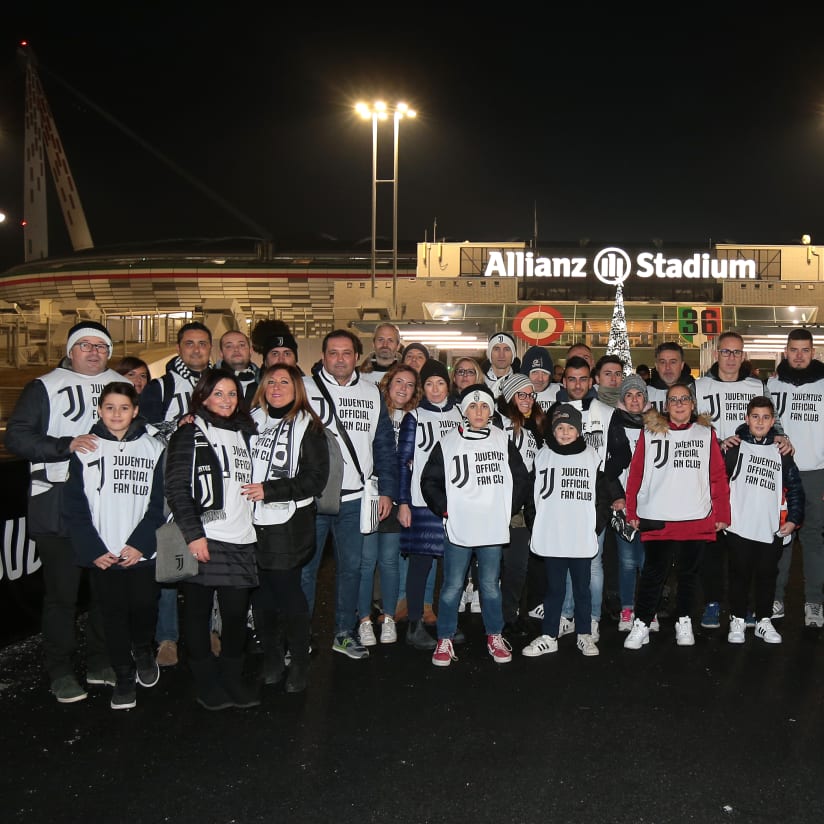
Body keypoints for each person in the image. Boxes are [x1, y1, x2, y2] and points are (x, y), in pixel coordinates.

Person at [6, 320, 123, 703]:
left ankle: (100, 661)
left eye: (101, 346)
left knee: (106, 592)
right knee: (63, 595)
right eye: (85, 345)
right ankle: (60, 670)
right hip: (57, 501)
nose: (94, 352)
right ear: (71, 350)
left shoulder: (120, 385)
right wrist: (65, 445)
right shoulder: (44, 385)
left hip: (108, 503)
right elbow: (18, 437)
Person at [62, 381, 166, 709]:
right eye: (109, 407)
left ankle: (144, 650)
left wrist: (141, 543)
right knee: (113, 615)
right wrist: (93, 549)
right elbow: (75, 507)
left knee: (145, 607)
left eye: (124, 408)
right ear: (100, 411)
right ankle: (123, 676)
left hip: (142, 553)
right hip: (104, 552)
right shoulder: (85, 449)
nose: (117, 414)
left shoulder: (154, 448)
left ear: (135, 411)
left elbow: (160, 504)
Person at [165, 368, 260, 710]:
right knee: (197, 614)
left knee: (235, 615)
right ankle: (206, 682)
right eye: (218, 393)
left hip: (241, 537)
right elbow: (175, 487)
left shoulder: (246, 432)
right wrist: (194, 536)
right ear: (203, 396)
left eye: (232, 394)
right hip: (205, 536)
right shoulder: (190, 432)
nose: (226, 400)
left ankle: (232, 678)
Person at [301, 329, 398, 660]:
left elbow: (384, 444)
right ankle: (301, 636)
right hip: (312, 498)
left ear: (357, 357)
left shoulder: (372, 392)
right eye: (332, 352)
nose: (339, 358)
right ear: (323, 356)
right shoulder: (305, 388)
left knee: (352, 568)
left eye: (346, 353)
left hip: (356, 498)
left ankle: (343, 633)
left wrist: (387, 490)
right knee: (306, 569)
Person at [421, 383, 530, 667]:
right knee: (452, 585)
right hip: (459, 526)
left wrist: (507, 510)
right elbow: (429, 480)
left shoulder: (501, 439)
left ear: (491, 410)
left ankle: (494, 634)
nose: (479, 411)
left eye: (484, 406)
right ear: (463, 410)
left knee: (491, 585)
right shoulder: (448, 442)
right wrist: (446, 509)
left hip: (492, 527)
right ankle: (445, 637)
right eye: (473, 406)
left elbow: (520, 478)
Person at [694, 330, 791, 630]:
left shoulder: (755, 385)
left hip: (749, 474)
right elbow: (690, 423)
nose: (732, 357)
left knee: (744, 545)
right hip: (710, 470)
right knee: (713, 543)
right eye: (726, 352)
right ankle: (712, 602)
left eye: (737, 352)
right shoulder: (699, 386)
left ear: (744, 356)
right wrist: (713, 444)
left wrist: (782, 438)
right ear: (716, 354)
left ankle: (743, 608)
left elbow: (771, 419)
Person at [623, 382, 731, 649]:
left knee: (688, 574)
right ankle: (642, 623)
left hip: (695, 516)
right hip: (658, 516)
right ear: (666, 405)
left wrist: (722, 512)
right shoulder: (649, 433)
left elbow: (717, 475)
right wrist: (632, 509)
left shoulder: (706, 434)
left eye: (684, 399)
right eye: (674, 400)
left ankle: (684, 621)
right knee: (652, 574)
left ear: (693, 404)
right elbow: (636, 473)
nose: (679, 404)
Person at [245, 364, 329, 693]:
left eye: (284, 382)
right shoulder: (251, 420)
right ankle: (272, 658)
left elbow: (315, 480)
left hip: (288, 524)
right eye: (271, 381)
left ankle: (300, 661)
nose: (277, 387)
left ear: (297, 388)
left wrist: (270, 490)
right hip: (249, 522)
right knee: (261, 597)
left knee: (288, 594)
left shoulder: (310, 426)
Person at [139, 320, 214, 668]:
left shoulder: (221, 383)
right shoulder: (161, 385)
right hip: (173, 480)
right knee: (170, 557)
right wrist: (178, 426)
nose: (196, 349)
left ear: (210, 348)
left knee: (214, 556)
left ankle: (213, 629)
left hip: (213, 483)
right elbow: (143, 428)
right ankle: (167, 637)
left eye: (202, 343)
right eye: (189, 343)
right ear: (179, 347)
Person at [522, 403, 610, 658]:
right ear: (552, 429)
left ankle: (584, 633)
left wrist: (595, 527)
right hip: (553, 534)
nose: (564, 432)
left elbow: (602, 496)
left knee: (582, 588)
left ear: (579, 430)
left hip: (581, 535)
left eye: (570, 427)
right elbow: (532, 495)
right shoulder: (543, 455)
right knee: (555, 589)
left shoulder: (592, 456)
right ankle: (550, 635)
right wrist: (535, 522)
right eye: (559, 427)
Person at [723, 396, 804, 645]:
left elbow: (795, 488)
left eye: (766, 417)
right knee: (739, 574)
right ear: (746, 419)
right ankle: (737, 618)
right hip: (739, 527)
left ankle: (764, 620)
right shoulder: (734, 449)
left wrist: (794, 519)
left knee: (768, 575)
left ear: (773, 421)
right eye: (755, 416)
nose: (760, 421)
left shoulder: (781, 452)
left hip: (771, 527)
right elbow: (717, 483)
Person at [397, 358, 463, 650]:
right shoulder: (415, 416)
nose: (435, 389)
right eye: (429, 384)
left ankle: (447, 624)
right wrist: (403, 501)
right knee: (420, 565)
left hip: (457, 500)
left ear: (447, 385)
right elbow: (403, 462)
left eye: (440, 383)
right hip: (421, 501)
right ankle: (414, 624)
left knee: (454, 567)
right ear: (422, 388)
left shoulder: (462, 413)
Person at [357, 364, 420, 646]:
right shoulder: (373, 410)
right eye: (398, 382)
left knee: (390, 561)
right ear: (387, 383)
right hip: (371, 493)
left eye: (409, 384)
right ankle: (364, 621)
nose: (403, 388)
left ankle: (390, 618)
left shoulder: (414, 417)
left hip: (398, 496)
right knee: (367, 561)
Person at [767, 327, 824, 627]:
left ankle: (814, 602)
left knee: (813, 539)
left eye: (805, 350)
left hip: (816, 473)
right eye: (794, 350)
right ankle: (776, 596)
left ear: (812, 352)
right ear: (786, 352)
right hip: (781, 473)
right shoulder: (771, 385)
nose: (799, 356)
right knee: (782, 537)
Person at [494, 372, 546, 641]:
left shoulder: (534, 426)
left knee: (517, 567)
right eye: (521, 394)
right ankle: (501, 619)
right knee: (498, 568)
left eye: (531, 394)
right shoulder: (498, 424)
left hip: (523, 510)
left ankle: (511, 615)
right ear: (509, 396)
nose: (527, 400)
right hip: (499, 507)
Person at [604, 374, 654, 632]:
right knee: (626, 560)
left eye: (639, 395)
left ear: (645, 398)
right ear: (622, 399)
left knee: (648, 560)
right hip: (623, 501)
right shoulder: (614, 424)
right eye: (629, 395)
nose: (634, 400)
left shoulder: (657, 425)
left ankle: (648, 608)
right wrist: (616, 496)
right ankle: (627, 607)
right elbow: (608, 466)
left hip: (650, 502)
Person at [647, 341, 695, 412]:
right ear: (656, 366)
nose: (668, 367)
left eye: (673, 362)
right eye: (663, 362)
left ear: (682, 365)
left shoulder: (696, 391)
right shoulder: (645, 395)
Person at [217, 330, 259, 408]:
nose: (236, 349)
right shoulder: (208, 382)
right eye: (229, 346)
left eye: (241, 345)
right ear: (221, 353)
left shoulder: (263, 380)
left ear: (250, 351)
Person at [520, 345, 559, 412]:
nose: (540, 379)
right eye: (535, 372)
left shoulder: (561, 393)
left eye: (545, 373)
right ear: (525, 374)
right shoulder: (515, 395)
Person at [484, 331, 517, 397]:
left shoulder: (521, 384)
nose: (501, 355)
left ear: (513, 354)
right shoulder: (478, 381)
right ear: (489, 354)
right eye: (496, 349)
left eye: (506, 349)